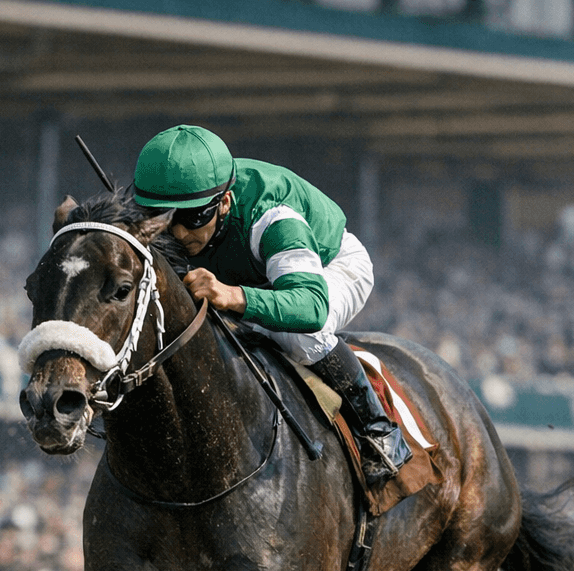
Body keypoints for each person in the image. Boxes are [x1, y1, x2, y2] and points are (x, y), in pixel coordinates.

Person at [132, 124, 412, 485]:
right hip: (250, 272)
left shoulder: (273, 218)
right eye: (164, 220)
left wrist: (234, 295)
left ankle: (378, 428)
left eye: (192, 218)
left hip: (327, 268)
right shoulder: (164, 201)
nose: (180, 233)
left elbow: (311, 307)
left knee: (298, 336)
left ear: (226, 201)